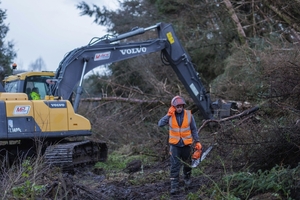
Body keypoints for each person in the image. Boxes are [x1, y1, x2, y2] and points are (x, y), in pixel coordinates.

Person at [158, 96, 202, 195]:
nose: (179, 108)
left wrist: (197, 141)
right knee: (175, 166)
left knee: (187, 163)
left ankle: (187, 180)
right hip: (175, 145)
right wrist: (168, 115)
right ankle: (174, 186)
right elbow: (160, 124)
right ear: (173, 107)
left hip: (186, 144)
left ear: (183, 106)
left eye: (181, 106)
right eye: (177, 106)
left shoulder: (189, 115)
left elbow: (193, 129)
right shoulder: (170, 115)